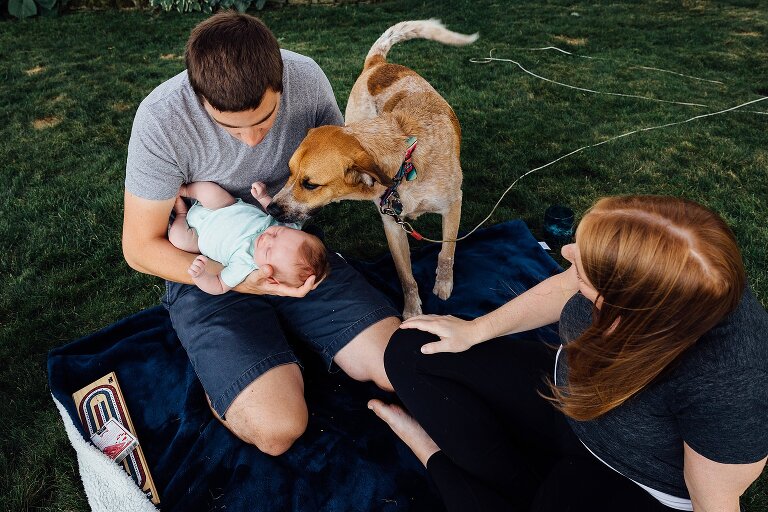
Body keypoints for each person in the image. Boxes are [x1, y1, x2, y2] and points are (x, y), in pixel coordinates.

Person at [369, 195, 768, 511]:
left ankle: (431, 454)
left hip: (628, 477)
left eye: (583, 271)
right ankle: (520, 487)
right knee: (412, 348)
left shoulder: (733, 385)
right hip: (564, 396)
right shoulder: (668, 264)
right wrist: (475, 330)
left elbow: (714, 502)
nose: (565, 254)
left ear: (627, 311)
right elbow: (566, 285)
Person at [123, 11, 400, 456]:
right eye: (230, 127)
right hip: (210, 268)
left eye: (265, 119)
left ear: (281, 83)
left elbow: (340, 159)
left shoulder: (306, 78)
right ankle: (234, 380)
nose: (251, 140)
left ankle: (282, 337)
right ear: (197, 96)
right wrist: (240, 279)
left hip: (287, 245)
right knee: (278, 429)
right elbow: (139, 248)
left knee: (395, 364)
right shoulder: (161, 119)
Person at [169, 180, 329, 294]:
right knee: (209, 191)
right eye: (276, 233)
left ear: (271, 277)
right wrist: (263, 197)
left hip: (198, 236)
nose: (267, 238)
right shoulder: (286, 228)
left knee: (178, 239)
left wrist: (201, 276)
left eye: (268, 251)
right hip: (223, 207)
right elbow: (275, 211)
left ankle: (181, 214)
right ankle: (183, 190)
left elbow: (219, 286)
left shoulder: (244, 266)